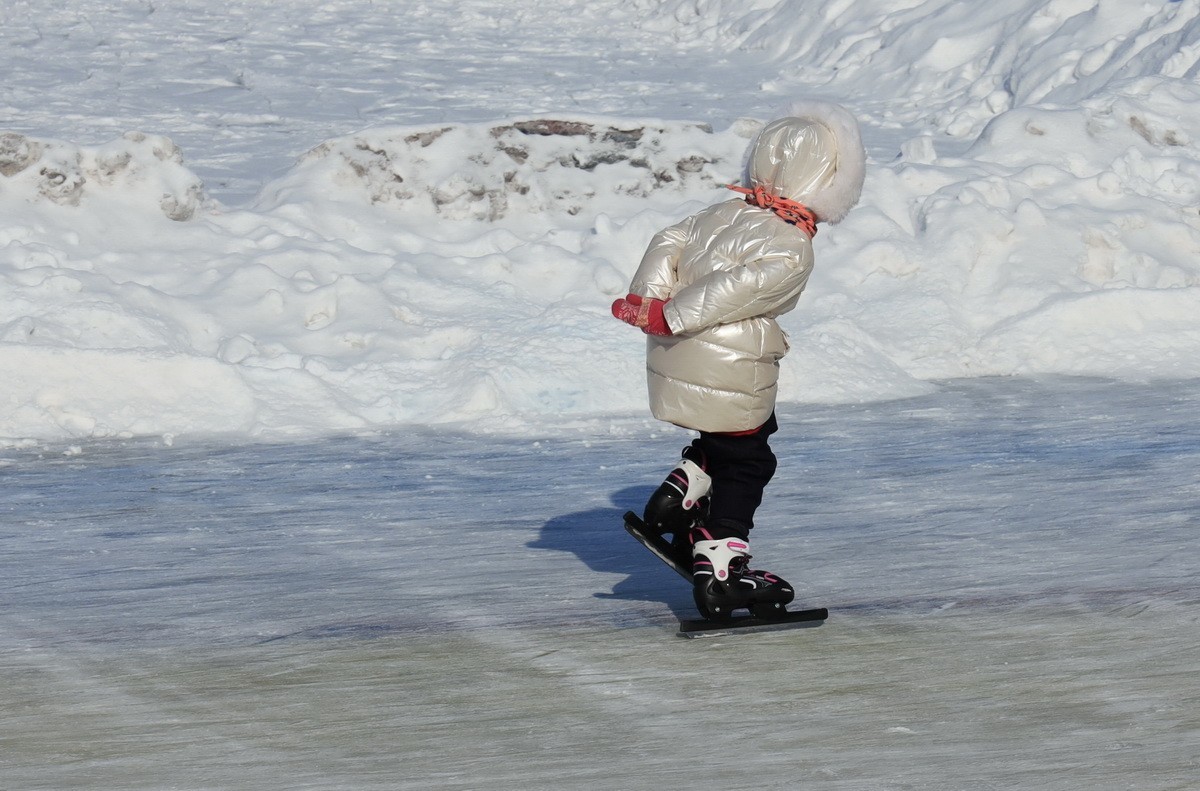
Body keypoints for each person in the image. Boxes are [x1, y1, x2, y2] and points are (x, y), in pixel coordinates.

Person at [611, 100, 866, 619]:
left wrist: (649, 300)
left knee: (736, 433)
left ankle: (687, 484)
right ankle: (722, 562)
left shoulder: (725, 210)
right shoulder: (793, 244)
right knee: (750, 460)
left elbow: (668, 240)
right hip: (723, 355)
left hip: (680, 357)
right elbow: (741, 286)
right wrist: (675, 315)